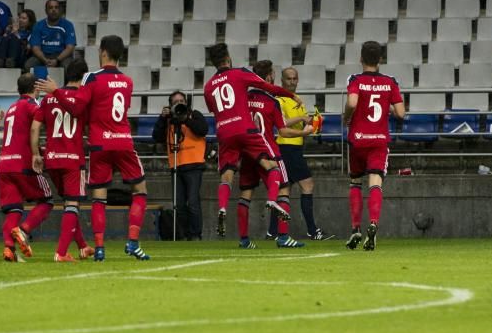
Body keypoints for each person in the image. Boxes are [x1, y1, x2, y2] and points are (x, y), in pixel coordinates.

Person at [42, 35, 151, 262]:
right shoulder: (128, 82)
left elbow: (77, 107)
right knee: (140, 191)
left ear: (102, 52)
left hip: (100, 144)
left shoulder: (92, 78)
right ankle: (132, 242)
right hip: (123, 141)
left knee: (99, 198)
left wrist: (56, 91)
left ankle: (99, 248)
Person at [203, 43, 301, 240]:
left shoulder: (208, 86)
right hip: (247, 133)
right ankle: (273, 204)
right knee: (273, 169)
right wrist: (291, 95)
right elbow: (267, 88)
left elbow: (214, 110)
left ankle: (223, 209)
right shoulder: (239, 74)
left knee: (228, 177)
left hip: (225, 133)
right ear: (228, 58)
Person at [342, 41, 406, 252]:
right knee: (375, 183)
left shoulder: (355, 80)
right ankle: (374, 224)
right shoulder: (390, 82)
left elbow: (351, 103)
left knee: (355, 182)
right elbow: (401, 113)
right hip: (379, 140)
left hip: (358, 139)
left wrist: (347, 118)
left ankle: (354, 228)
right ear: (380, 59)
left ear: (361, 58)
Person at [32, 59, 96, 262]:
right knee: (72, 204)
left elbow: (35, 128)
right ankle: (61, 253)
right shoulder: (82, 96)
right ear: (84, 76)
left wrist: (36, 153)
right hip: (72, 158)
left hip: (52, 159)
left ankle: (83, 246)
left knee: (69, 204)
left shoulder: (48, 99)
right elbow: (80, 114)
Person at [237, 60, 304, 249]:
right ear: (268, 77)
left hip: (247, 152)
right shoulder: (271, 102)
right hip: (269, 151)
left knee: (246, 194)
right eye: (273, 74)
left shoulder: (242, 98)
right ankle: (283, 237)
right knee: (283, 189)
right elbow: (283, 131)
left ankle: (244, 240)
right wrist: (304, 133)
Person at [0, 73, 54, 262]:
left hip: (5, 164)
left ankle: (9, 249)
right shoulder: (33, 106)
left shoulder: (12, 108)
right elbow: (34, 130)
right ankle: (23, 230)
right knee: (46, 200)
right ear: (36, 88)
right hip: (23, 164)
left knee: (14, 209)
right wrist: (38, 152)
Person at [273, 66, 326, 240]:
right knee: (307, 185)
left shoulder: (297, 100)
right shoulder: (279, 100)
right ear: (281, 80)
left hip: (294, 148)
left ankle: (272, 231)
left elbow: (304, 124)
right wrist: (302, 119)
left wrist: (315, 122)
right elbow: (282, 123)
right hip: (287, 147)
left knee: (284, 190)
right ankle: (312, 230)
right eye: (289, 78)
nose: (292, 82)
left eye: (295, 78)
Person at [151, 90, 208, 241]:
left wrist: (185, 119)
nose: (179, 104)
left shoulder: (194, 115)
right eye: (175, 102)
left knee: (193, 202)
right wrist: (162, 119)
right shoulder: (169, 120)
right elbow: (156, 137)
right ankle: (183, 235)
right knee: (180, 205)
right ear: (170, 106)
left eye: (181, 101)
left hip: (194, 164)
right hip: (176, 166)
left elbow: (203, 130)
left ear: (186, 102)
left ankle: (195, 235)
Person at [24, 0, 76, 72]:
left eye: (56, 7)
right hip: (43, 55)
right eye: (50, 8)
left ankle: (66, 84)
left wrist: (57, 60)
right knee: (28, 66)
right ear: (46, 11)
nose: (53, 10)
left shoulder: (68, 25)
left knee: (68, 67)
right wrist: (44, 60)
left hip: (62, 56)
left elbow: (70, 48)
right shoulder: (38, 25)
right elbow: (35, 48)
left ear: (60, 10)